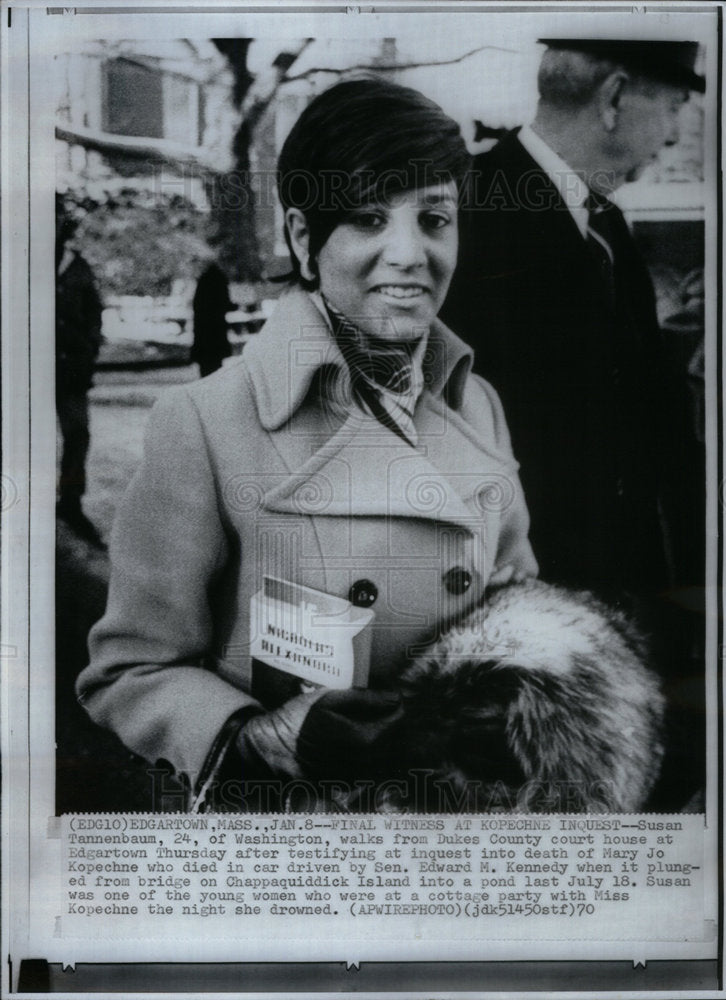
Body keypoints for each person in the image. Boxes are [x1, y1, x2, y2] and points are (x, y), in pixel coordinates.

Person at [77, 79, 537, 811]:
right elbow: (128, 673)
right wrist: (266, 737)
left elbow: (517, 600)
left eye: (435, 218)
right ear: (302, 237)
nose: (410, 253)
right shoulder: (205, 419)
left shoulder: (474, 401)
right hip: (301, 845)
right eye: (367, 217)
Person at [442, 39, 705, 598]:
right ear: (613, 98)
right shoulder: (464, 212)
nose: (676, 135)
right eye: (676, 105)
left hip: (619, 604)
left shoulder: (604, 223)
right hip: (521, 604)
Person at [56, 194, 105, 549]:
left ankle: (70, 502)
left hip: (71, 368)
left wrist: (89, 349)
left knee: (78, 434)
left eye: (58, 219)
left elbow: (93, 314)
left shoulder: (78, 266)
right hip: (26, 370)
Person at [190, 262, 235, 377]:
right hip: (217, 330)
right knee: (216, 363)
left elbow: (196, 305)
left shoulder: (202, 282)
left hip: (203, 330)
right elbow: (226, 304)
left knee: (205, 365)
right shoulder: (220, 281)